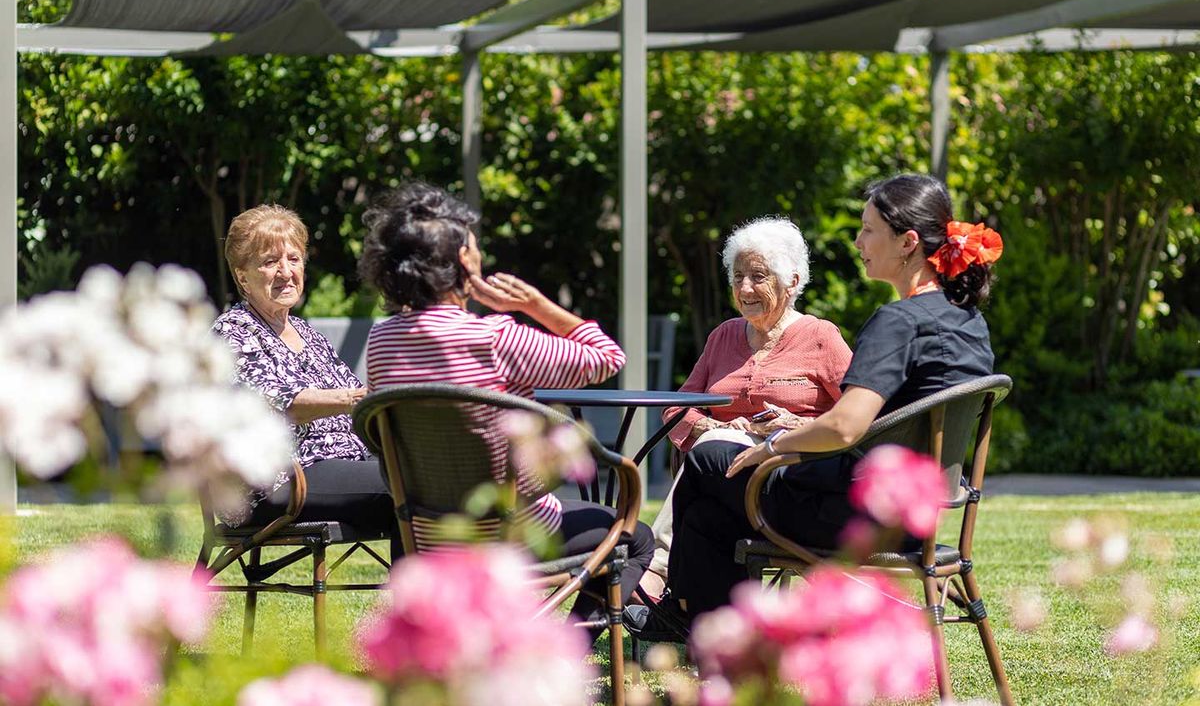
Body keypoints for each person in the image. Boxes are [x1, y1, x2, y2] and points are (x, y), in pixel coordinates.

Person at [629, 174, 1001, 635]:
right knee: (706, 516)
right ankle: (710, 637)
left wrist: (770, 447)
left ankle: (686, 618)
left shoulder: (898, 322)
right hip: (914, 513)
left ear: (907, 243)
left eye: (868, 229)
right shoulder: (968, 321)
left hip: (858, 513)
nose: (858, 240)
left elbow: (846, 426)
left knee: (708, 459)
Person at [357, 181, 656, 629]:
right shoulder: (494, 337)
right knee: (638, 538)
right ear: (462, 262)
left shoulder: (380, 340)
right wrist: (535, 305)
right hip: (513, 531)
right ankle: (568, 652)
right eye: (474, 248)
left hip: (425, 533)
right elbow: (606, 357)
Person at [637, 217, 853, 602]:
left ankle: (657, 569)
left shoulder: (820, 337)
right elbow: (677, 409)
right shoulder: (723, 336)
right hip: (718, 475)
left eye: (758, 276)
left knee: (713, 463)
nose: (745, 288)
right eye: (737, 277)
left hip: (785, 478)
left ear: (793, 282)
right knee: (714, 458)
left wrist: (795, 423)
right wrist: (709, 430)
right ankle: (689, 611)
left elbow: (858, 416)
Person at [213, 204, 399, 557]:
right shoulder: (232, 333)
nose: (286, 272)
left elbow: (358, 406)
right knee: (409, 488)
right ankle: (420, 608)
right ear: (242, 276)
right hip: (281, 480)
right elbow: (276, 403)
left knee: (429, 479)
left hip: (342, 464)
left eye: (294, 259)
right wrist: (355, 399)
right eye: (270, 262)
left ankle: (430, 605)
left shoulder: (306, 333)